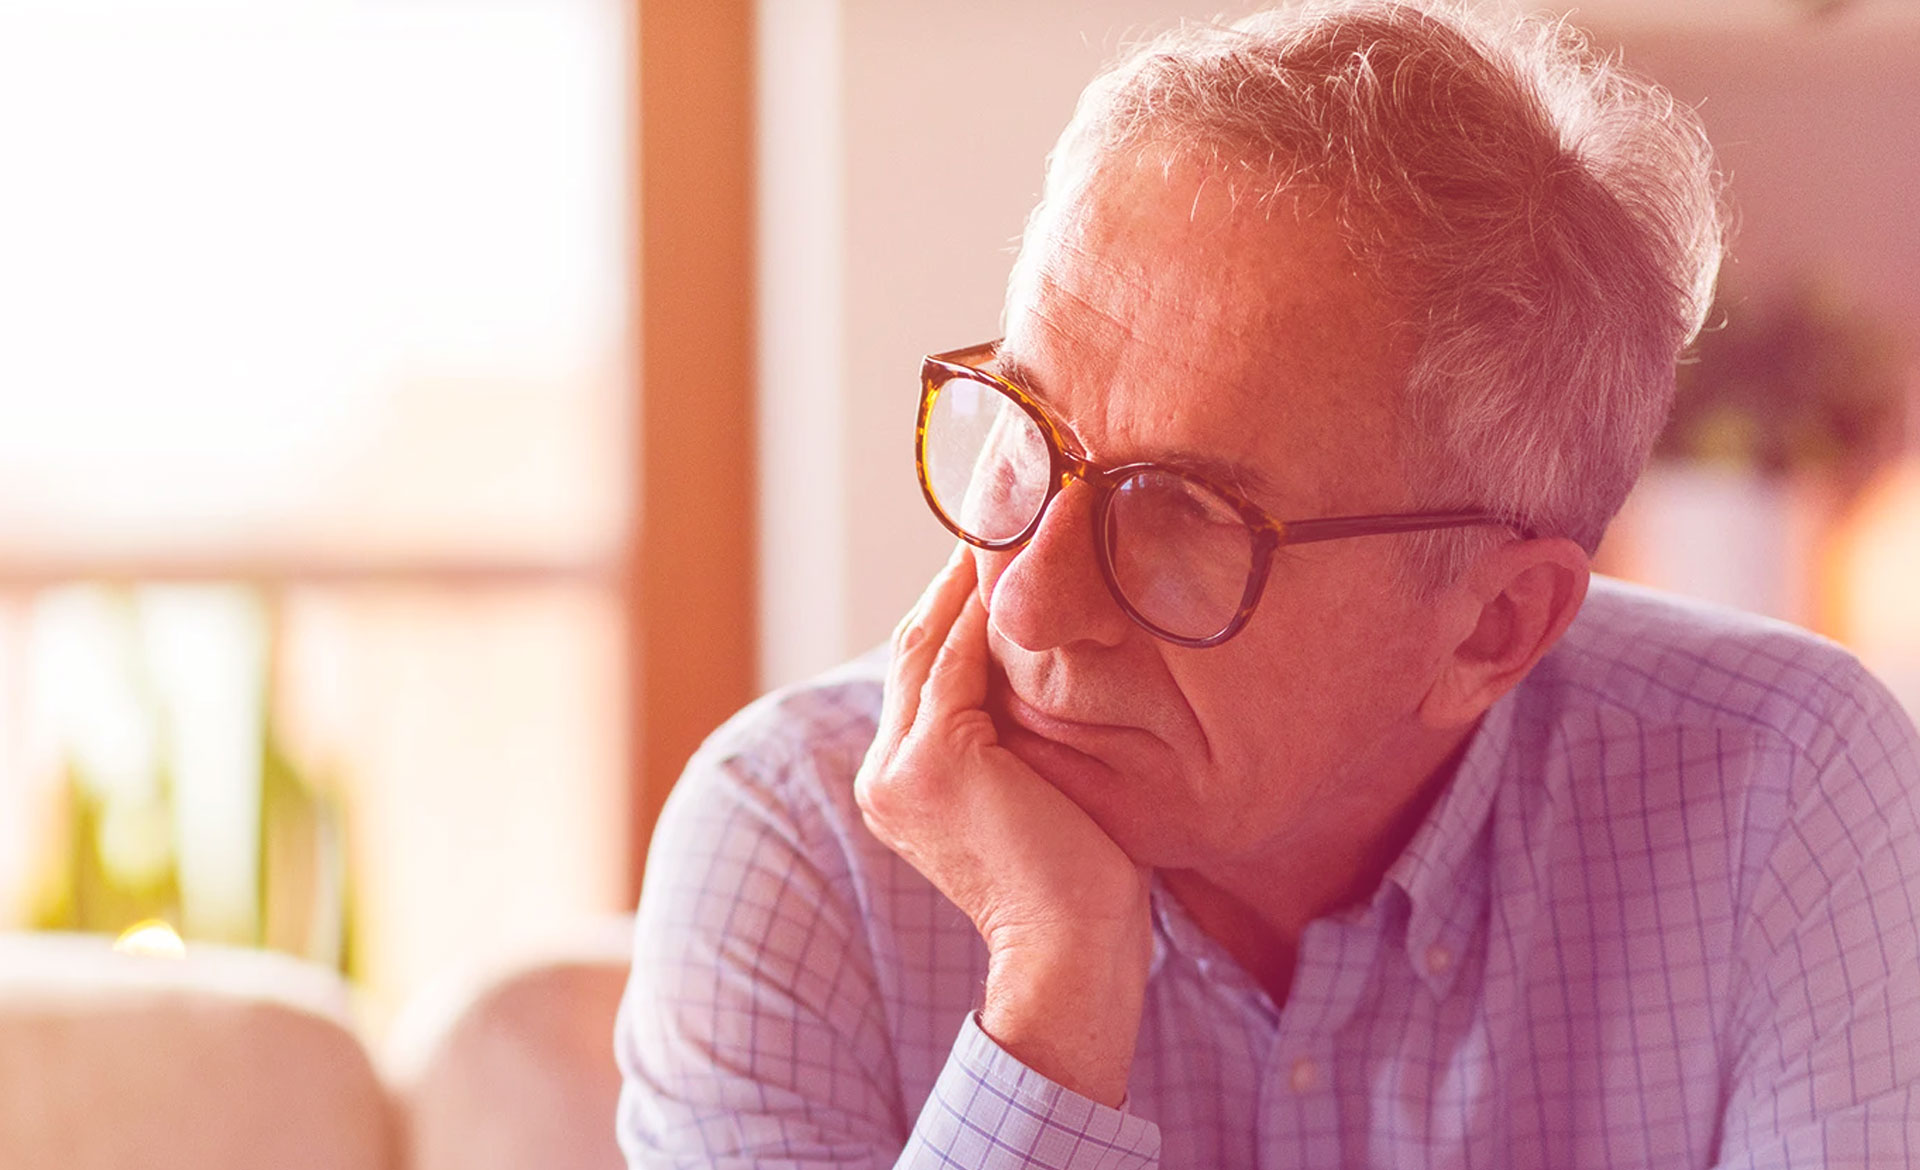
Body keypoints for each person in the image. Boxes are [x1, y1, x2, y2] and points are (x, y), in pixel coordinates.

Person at [614, 1, 1920, 1166]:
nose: (1024, 604)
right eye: (1024, 428)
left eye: (1180, 517)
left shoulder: (1784, 798)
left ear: (1493, 623)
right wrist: (1053, 987)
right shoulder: (792, 850)